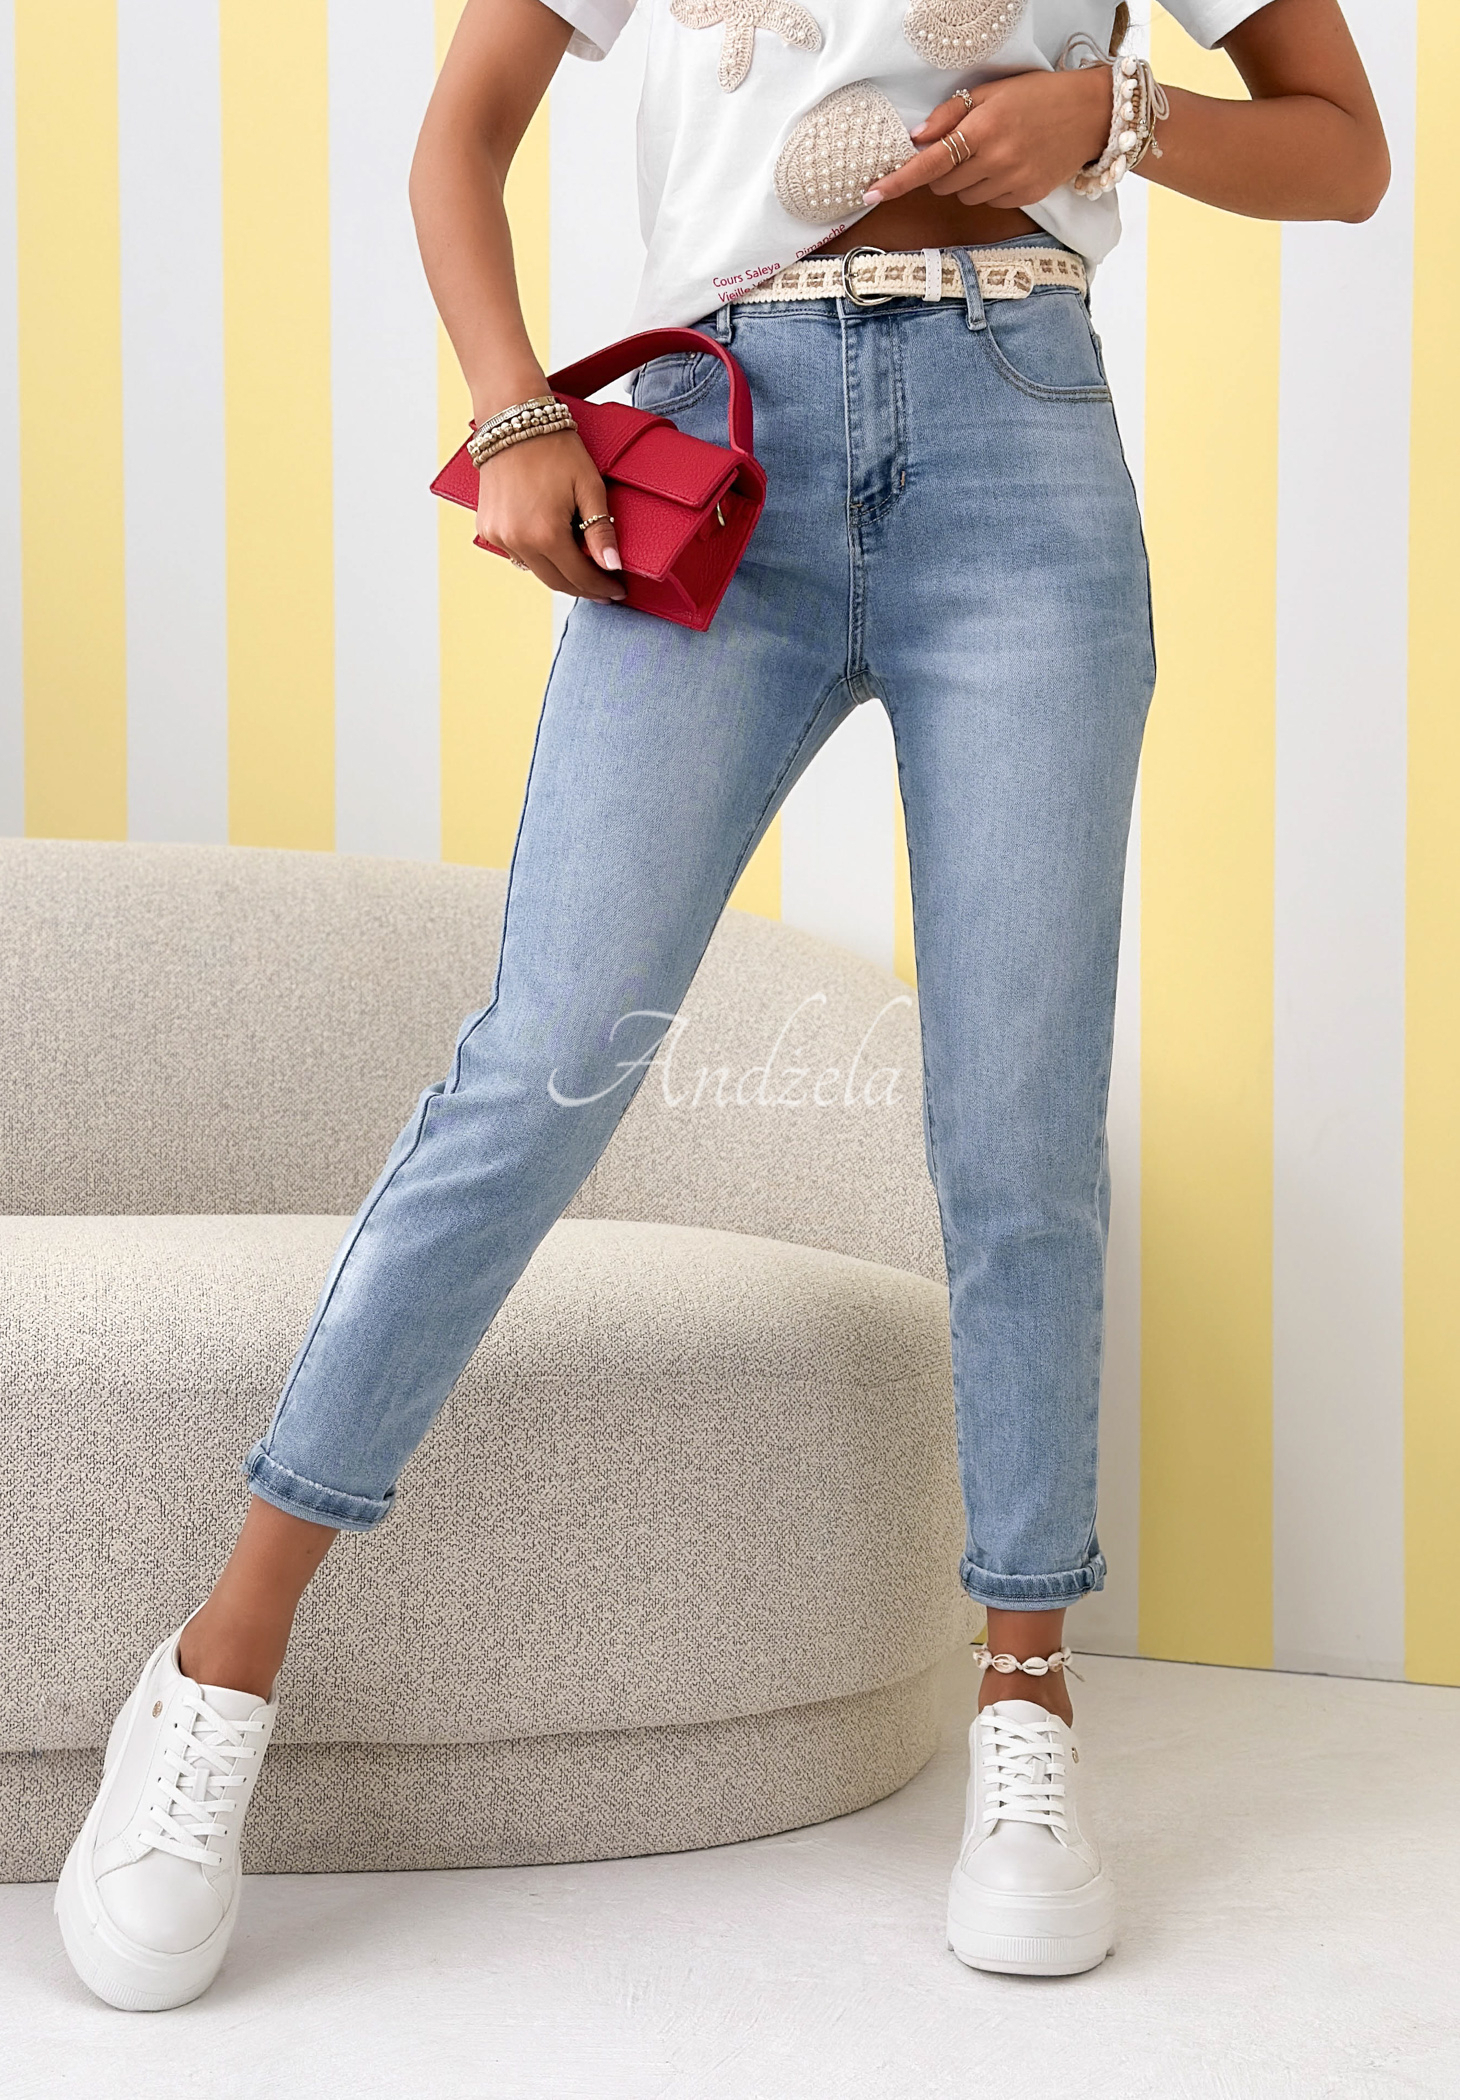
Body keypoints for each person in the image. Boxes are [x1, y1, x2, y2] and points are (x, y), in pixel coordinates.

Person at [53, 0, 1387, 2010]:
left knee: (1016, 1121)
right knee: (540, 1069)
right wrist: (515, 411)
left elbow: (1343, 147)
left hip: (1021, 448)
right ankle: (216, 1669)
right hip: (717, 428)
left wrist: (1113, 115)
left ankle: (1026, 1707)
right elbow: (461, 130)